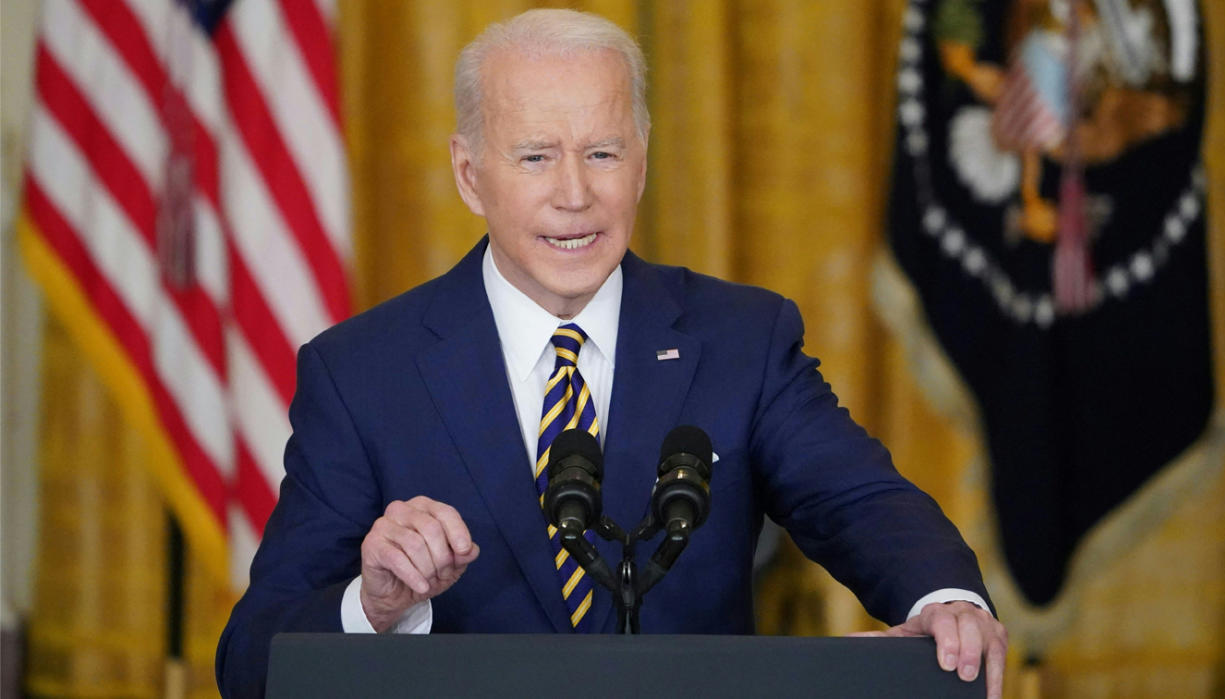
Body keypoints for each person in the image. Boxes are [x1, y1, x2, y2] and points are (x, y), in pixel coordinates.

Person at [217, 8, 1007, 698]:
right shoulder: (362, 374)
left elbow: (859, 501)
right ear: (469, 174)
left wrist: (944, 597)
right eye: (535, 156)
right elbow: (252, 661)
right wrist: (374, 605)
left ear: (643, 155)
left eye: (602, 152)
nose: (574, 194)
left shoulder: (740, 340)